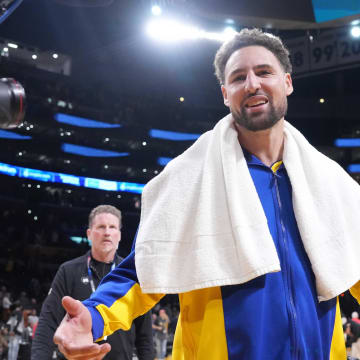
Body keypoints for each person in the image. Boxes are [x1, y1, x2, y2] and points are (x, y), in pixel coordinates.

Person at [53, 28, 360, 359]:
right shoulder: (189, 177)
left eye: (264, 72)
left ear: (287, 81)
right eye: (239, 77)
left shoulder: (331, 183)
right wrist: (95, 317)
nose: (253, 84)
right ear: (226, 94)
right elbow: (144, 269)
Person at [31, 205, 154, 360]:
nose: (107, 232)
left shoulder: (132, 275)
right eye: (101, 227)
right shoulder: (68, 271)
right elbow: (47, 323)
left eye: (112, 227)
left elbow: (145, 335)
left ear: (120, 235)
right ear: (89, 234)